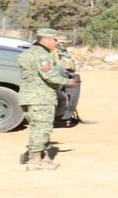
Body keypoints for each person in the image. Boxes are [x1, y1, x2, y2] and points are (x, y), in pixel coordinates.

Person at [18, 28, 76, 170]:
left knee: (36, 128)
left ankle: (35, 155)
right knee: (42, 129)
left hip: (28, 97)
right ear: (45, 40)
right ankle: (35, 161)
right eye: (55, 40)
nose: (57, 43)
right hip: (41, 98)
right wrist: (69, 82)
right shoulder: (43, 56)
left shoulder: (26, 53)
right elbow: (49, 76)